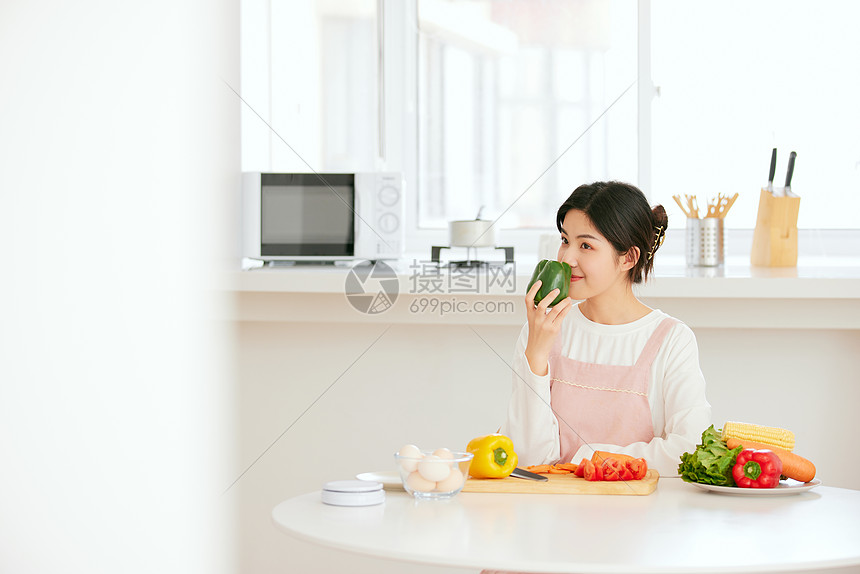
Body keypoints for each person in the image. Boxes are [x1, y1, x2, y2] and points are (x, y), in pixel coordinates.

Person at [500, 181, 711, 476]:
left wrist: (591, 457)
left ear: (628, 258)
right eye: (564, 240)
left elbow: (689, 450)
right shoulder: (543, 330)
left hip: (644, 515)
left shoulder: (672, 340)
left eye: (585, 245)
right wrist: (535, 354)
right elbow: (525, 459)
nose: (566, 258)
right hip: (553, 511)